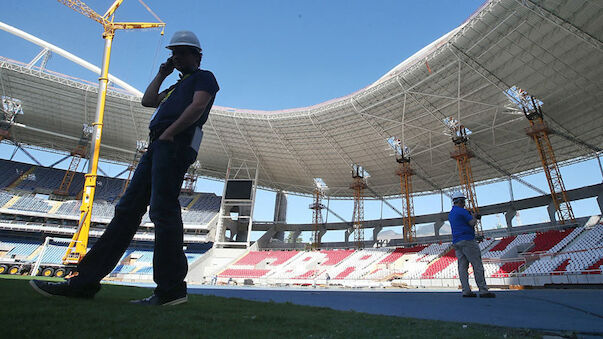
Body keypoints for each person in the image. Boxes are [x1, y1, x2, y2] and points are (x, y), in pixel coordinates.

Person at [30, 31, 219, 306]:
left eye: (182, 52)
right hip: (158, 145)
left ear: (197, 55)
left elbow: (199, 106)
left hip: (174, 143)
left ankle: (170, 290)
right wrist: (162, 74)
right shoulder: (176, 86)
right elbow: (148, 100)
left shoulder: (205, 77)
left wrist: (170, 133)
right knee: (127, 212)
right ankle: (84, 282)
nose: (176, 57)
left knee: (162, 211)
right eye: (173, 52)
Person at [448, 191, 495, 298]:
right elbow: (471, 223)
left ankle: (466, 290)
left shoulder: (451, 214)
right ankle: (483, 290)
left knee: (462, 267)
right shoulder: (463, 211)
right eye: (463, 201)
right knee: (477, 265)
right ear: (460, 201)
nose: (464, 203)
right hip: (468, 240)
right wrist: (475, 217)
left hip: (457, 241)